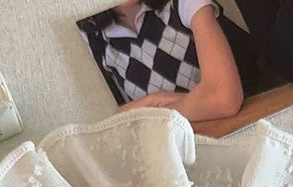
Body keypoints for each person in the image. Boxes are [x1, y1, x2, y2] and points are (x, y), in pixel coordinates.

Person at [78, 0, 246, 122]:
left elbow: (223, 100)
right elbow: (104, 122)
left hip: (229, 132)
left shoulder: (183, 3)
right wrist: (161, 101)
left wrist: (151, 109)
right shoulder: (90, 37)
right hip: (167, 151)